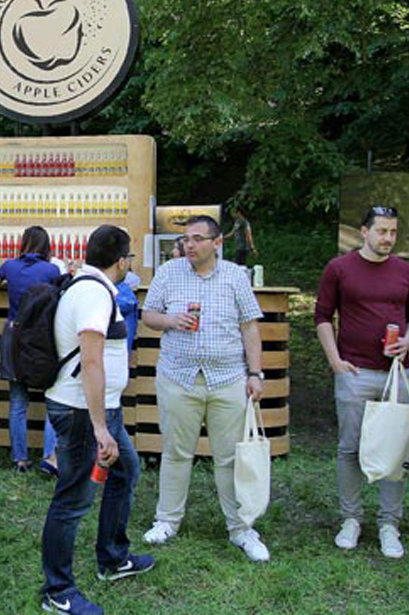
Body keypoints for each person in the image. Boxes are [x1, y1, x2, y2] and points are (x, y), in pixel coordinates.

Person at [140, 215, 270, 562]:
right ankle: (167, 521)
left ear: (217, 243)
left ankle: (241, 528)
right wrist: (171, 320)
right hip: (178, 377)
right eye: (186, 239)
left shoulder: (235, 276)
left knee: (230, 457)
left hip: (228, 379)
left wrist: (255, 374)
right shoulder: (169, 272)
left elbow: (250, 327)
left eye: (198, 238)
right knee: (175, 452)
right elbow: (148, 315)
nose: (190, 245)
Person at [40, 225, 153, 615]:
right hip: (83, 413)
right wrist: (100, 427)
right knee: (73, 498)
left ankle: (113, 558)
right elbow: (90, 361)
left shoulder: (92, 287)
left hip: (99, 410)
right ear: (121, 261)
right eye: (129, 259)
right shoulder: (92, 293)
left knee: (126, 471)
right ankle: (57, 591)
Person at [315, 206, 409, 558]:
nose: (388, 238)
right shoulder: (339, 268)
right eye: (382, 231)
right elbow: (322, 317)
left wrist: (408, 340)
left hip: (397, 374)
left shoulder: (406, 272)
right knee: (350, 448)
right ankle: (351, 519)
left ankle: (389, 524)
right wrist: (334, 360)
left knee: (396, 448)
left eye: (393, 232)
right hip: (355, 372)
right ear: (364, 231)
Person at [0, 226, 62, 474]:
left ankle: (20, 459)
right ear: (46, 246)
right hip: (42, 337)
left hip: (14, 334)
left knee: (18, 401)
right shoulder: (51, 270)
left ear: (24, 243)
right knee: (53, 397)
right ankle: (49, 456)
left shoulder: (9, 266)